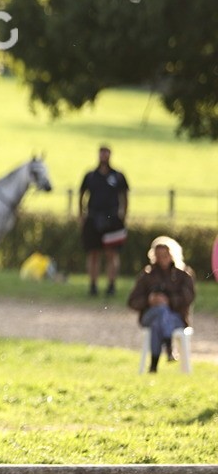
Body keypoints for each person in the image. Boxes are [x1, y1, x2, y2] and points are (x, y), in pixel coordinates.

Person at [127, 236, 195, 373]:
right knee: (160, 311)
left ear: (172, 255)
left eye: (165, 255)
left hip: (176, 317)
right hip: (150, 314)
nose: (162, 259)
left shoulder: (183, 275)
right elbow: (132, 301)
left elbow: (188, 297)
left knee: (158, 321)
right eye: (158, 256)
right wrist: (149, 300)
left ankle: (153, 366)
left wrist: (169, 300)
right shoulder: (147, 275)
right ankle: (168, 346)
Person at [79, 146, 129, 297]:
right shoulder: (90, 176)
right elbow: (81, 195)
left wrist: (123, 215)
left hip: (112, 218)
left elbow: (125, 197)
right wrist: (81, 215)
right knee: (93, 254)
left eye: (106, 153)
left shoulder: (118, 176)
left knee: (111, 254)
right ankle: (93, 285)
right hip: (93, 217)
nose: (103, 156)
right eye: (101, 153)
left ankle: (111, 284)